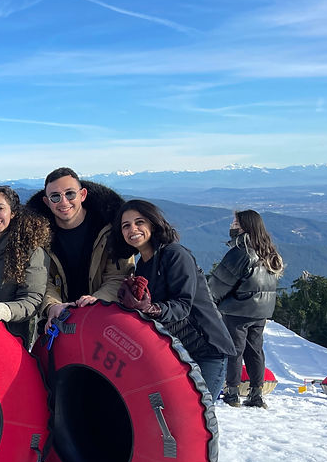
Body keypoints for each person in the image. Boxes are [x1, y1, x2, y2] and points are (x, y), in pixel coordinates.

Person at [113, 199, 235, 402]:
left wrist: (150, 308)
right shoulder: (142, 265)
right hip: (178, 351)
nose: (132, 229)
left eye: (139, 222)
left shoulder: (175, 254)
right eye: (126, 226)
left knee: (198, 418)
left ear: (152, 223)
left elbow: (183, 306)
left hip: (208, 350)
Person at [25, 168, 132, 331]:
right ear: (47, 202)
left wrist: (94, 301)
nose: (63, 202)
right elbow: (41, 280)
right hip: (56, 324)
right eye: (55, 197)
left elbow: (119, 277)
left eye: (70, 194)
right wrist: (52, 305)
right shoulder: (36, 236)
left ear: (82, 195)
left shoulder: (111, 231)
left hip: (104, 319)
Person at [207, 210, 283, 409]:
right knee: (255, 350)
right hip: (261, 311)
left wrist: (207, 303)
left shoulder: (241, 252)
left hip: (238, 309)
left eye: (235, 222)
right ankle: (256, 394)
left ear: (244, 227)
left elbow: (219, 283)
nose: (232, 225)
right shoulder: (268, 251)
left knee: (234, 350)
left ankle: (232, 393)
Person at [0, 186, 50, 345]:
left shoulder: (32, 250)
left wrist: (5, 310)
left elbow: (32, 299)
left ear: (13, 212)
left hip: (10, 336)